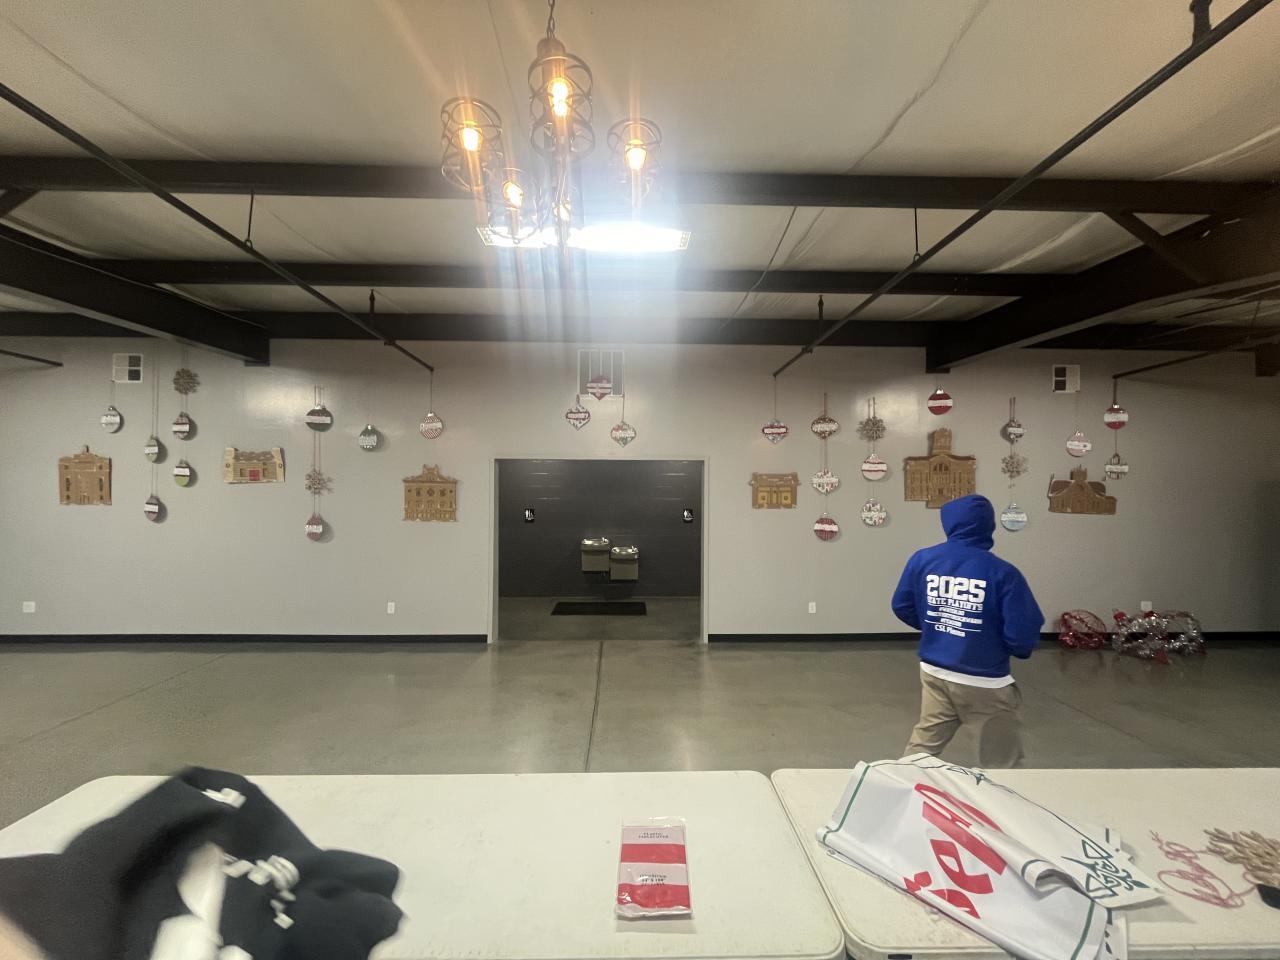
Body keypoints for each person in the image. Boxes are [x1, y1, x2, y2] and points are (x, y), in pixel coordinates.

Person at [891, 493, 1043, 768]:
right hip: (984, 681)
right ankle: (1000, 795)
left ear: (948, 524)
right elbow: (1022, 633)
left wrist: (938, 628)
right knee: (1001, 761)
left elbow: (902, 605)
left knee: (922, 747)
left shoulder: (923, 560)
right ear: (989, 525)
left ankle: (900, 784)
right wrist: (1002, 646)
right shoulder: (1003, 573)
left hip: (934, 671)